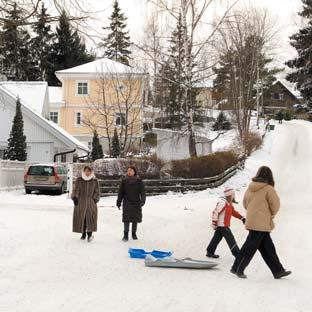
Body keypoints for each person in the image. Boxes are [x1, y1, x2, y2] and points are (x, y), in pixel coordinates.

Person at [231, 166, 291, 279]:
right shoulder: (268, 188)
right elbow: (275, 205)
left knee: (268, 248)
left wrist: (253, 211)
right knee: (249, 248)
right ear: (269, 176)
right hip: (261, 222)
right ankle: (237, 268)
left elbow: (245, 203)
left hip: (253, 220)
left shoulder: (250, 187)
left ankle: (278, 271)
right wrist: (270, 214)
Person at [206, 187, 245, 259]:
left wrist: (242, 218)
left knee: (216, 239)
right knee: (231, 240)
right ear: (230, 195)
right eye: (233, 195)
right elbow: (215, 212)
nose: (234, 196)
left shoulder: (228, 203)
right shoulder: (222, 203)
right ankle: (238, 255)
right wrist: (214, 223)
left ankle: (210, 251)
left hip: (222, 226)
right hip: (223, 226)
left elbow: (233, 212)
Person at [117, 166, 146, 241]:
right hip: (127, 202)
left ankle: (134, 233)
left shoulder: (139, 181)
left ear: (134, 172)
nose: (129, 172)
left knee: (135, 219)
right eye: (128, 170)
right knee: (126, 219)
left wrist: (143, 201)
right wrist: (119, 202)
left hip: (136, 202)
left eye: (131, 170)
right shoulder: (124, 181)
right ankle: (125, 234)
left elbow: (143, 192)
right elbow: (120, 193)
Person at [72, 166, 100, 242]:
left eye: (89, 171)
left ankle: (90, 235)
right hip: (81, 202)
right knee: (82, 219)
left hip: (91, 203)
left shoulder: (94, 180)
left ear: (91, 172)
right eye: (86, 171)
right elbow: (76, 190)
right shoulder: (79, 180)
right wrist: (75, 197)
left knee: (91, 219)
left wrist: (94, 199)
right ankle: (83, 234)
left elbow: (97, 192)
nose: (87, 172)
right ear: (84, 171)